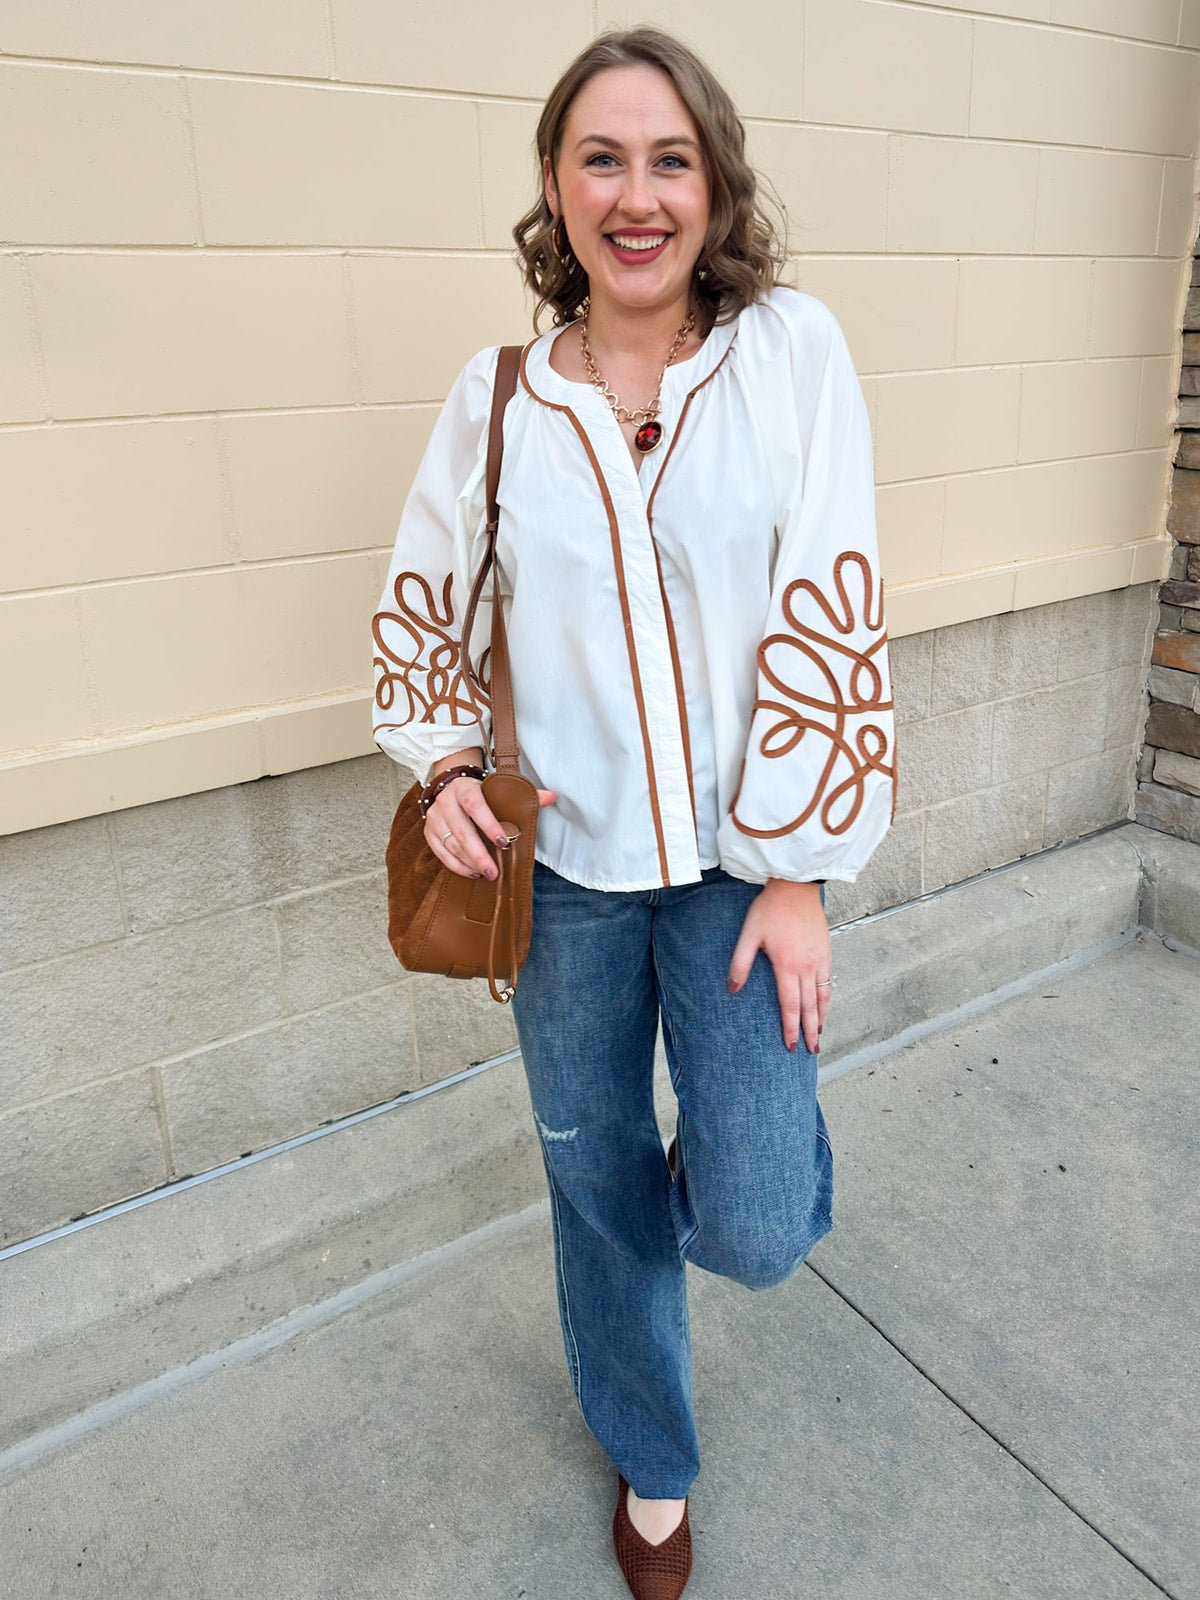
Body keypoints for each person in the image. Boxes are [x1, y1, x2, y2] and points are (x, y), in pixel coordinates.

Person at [370, 26, 896, 1598]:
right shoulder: (502, 396)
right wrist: (446, 766)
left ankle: (747, 1164)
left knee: (747, 1216)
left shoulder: (793, 353)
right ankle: (653, 1466)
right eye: (602, 157)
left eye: (671, 158)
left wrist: (801, 869)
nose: (637, 193)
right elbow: (424, 602)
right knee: (597, 1187)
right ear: (556, 185)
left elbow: (833, 596)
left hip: (744, 876)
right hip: (575, 886)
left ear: (716, 181)